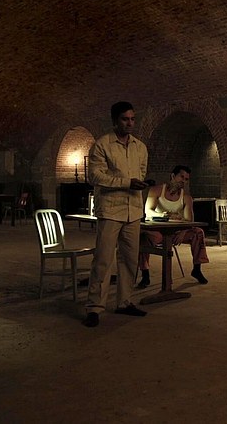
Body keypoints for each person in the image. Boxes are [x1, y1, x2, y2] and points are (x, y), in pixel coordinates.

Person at [82, 101, 152, 328]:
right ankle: (94, 307)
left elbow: (141, 172)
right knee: (103, 260)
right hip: (111, 210)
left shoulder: (140, 147)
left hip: (134, 210)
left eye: (132, 119)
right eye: (125, 119)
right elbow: (95, 176)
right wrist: (126, 183)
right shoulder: (102, 145)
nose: (130, 123)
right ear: (115, 121)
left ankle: (124, 301)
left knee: (130, 260)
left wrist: (138, 184)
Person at [137, 165, 210, 287]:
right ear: (173, 176)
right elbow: (148, 211)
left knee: (198, 232)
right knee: (144, 236)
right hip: (158, 231)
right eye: (181, 177)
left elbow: (189, 220)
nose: (183, 181)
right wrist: (165, 215)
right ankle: (145, 274)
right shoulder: (156, 190)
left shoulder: (186, 197)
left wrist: (182, 233)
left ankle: (197, 269)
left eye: (186, 179)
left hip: (176, 233)